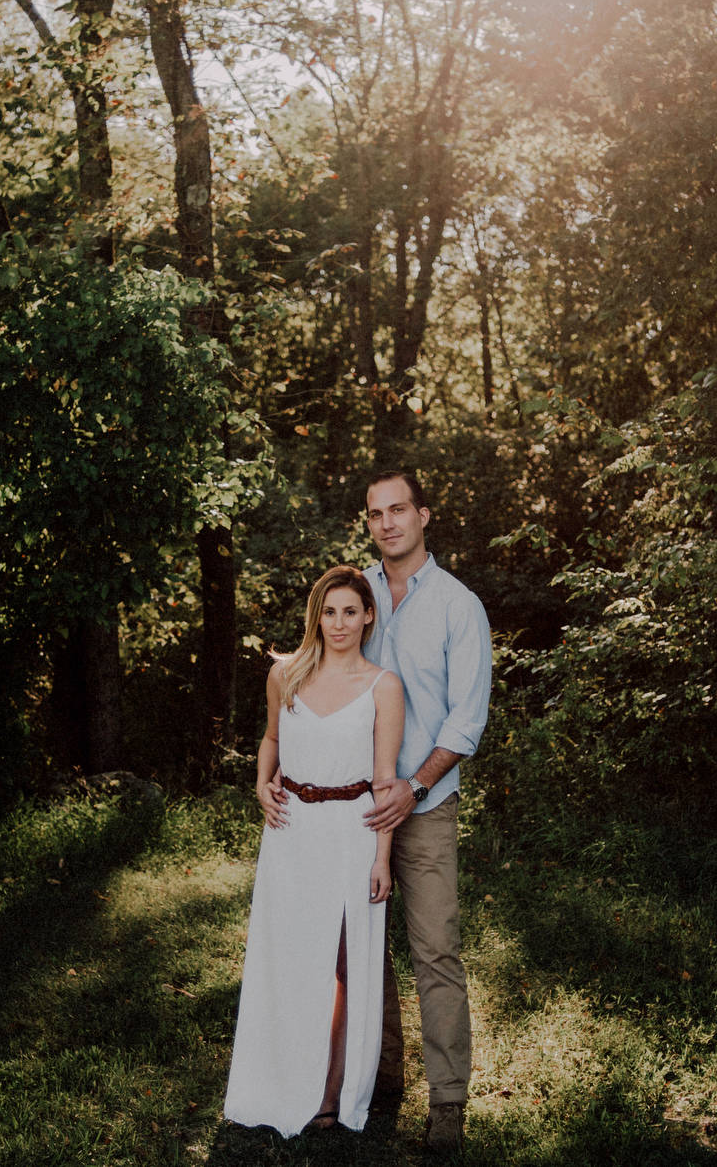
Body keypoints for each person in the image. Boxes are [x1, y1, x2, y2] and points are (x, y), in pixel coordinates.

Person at [260, 472, 493, 1152]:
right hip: (340, 811)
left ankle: (447, 1101)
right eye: (375, 513)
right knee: (355, 953)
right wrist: (272, 770)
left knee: (434, 950)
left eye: (399, 510)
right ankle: (376, 1075)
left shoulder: (458, 606)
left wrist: (413, 788)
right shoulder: (351, 594)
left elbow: (466, 718)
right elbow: (304, 677)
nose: (387, 523)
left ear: (424, 514)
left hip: (422, 805)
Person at [223, 566, 405, 1137]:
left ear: (369, 616)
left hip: (352, 834)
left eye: (351, 611)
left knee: (346, 964)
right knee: (290, 960)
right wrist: (261, 783)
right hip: (291, 832)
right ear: (315, 616)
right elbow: (272, 740)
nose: (339, 623)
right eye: (329, 612)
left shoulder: (384, 687)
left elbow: (384, 779)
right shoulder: (287, 675)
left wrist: (382, 857)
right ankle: (276, 1082)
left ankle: (330, 1093)